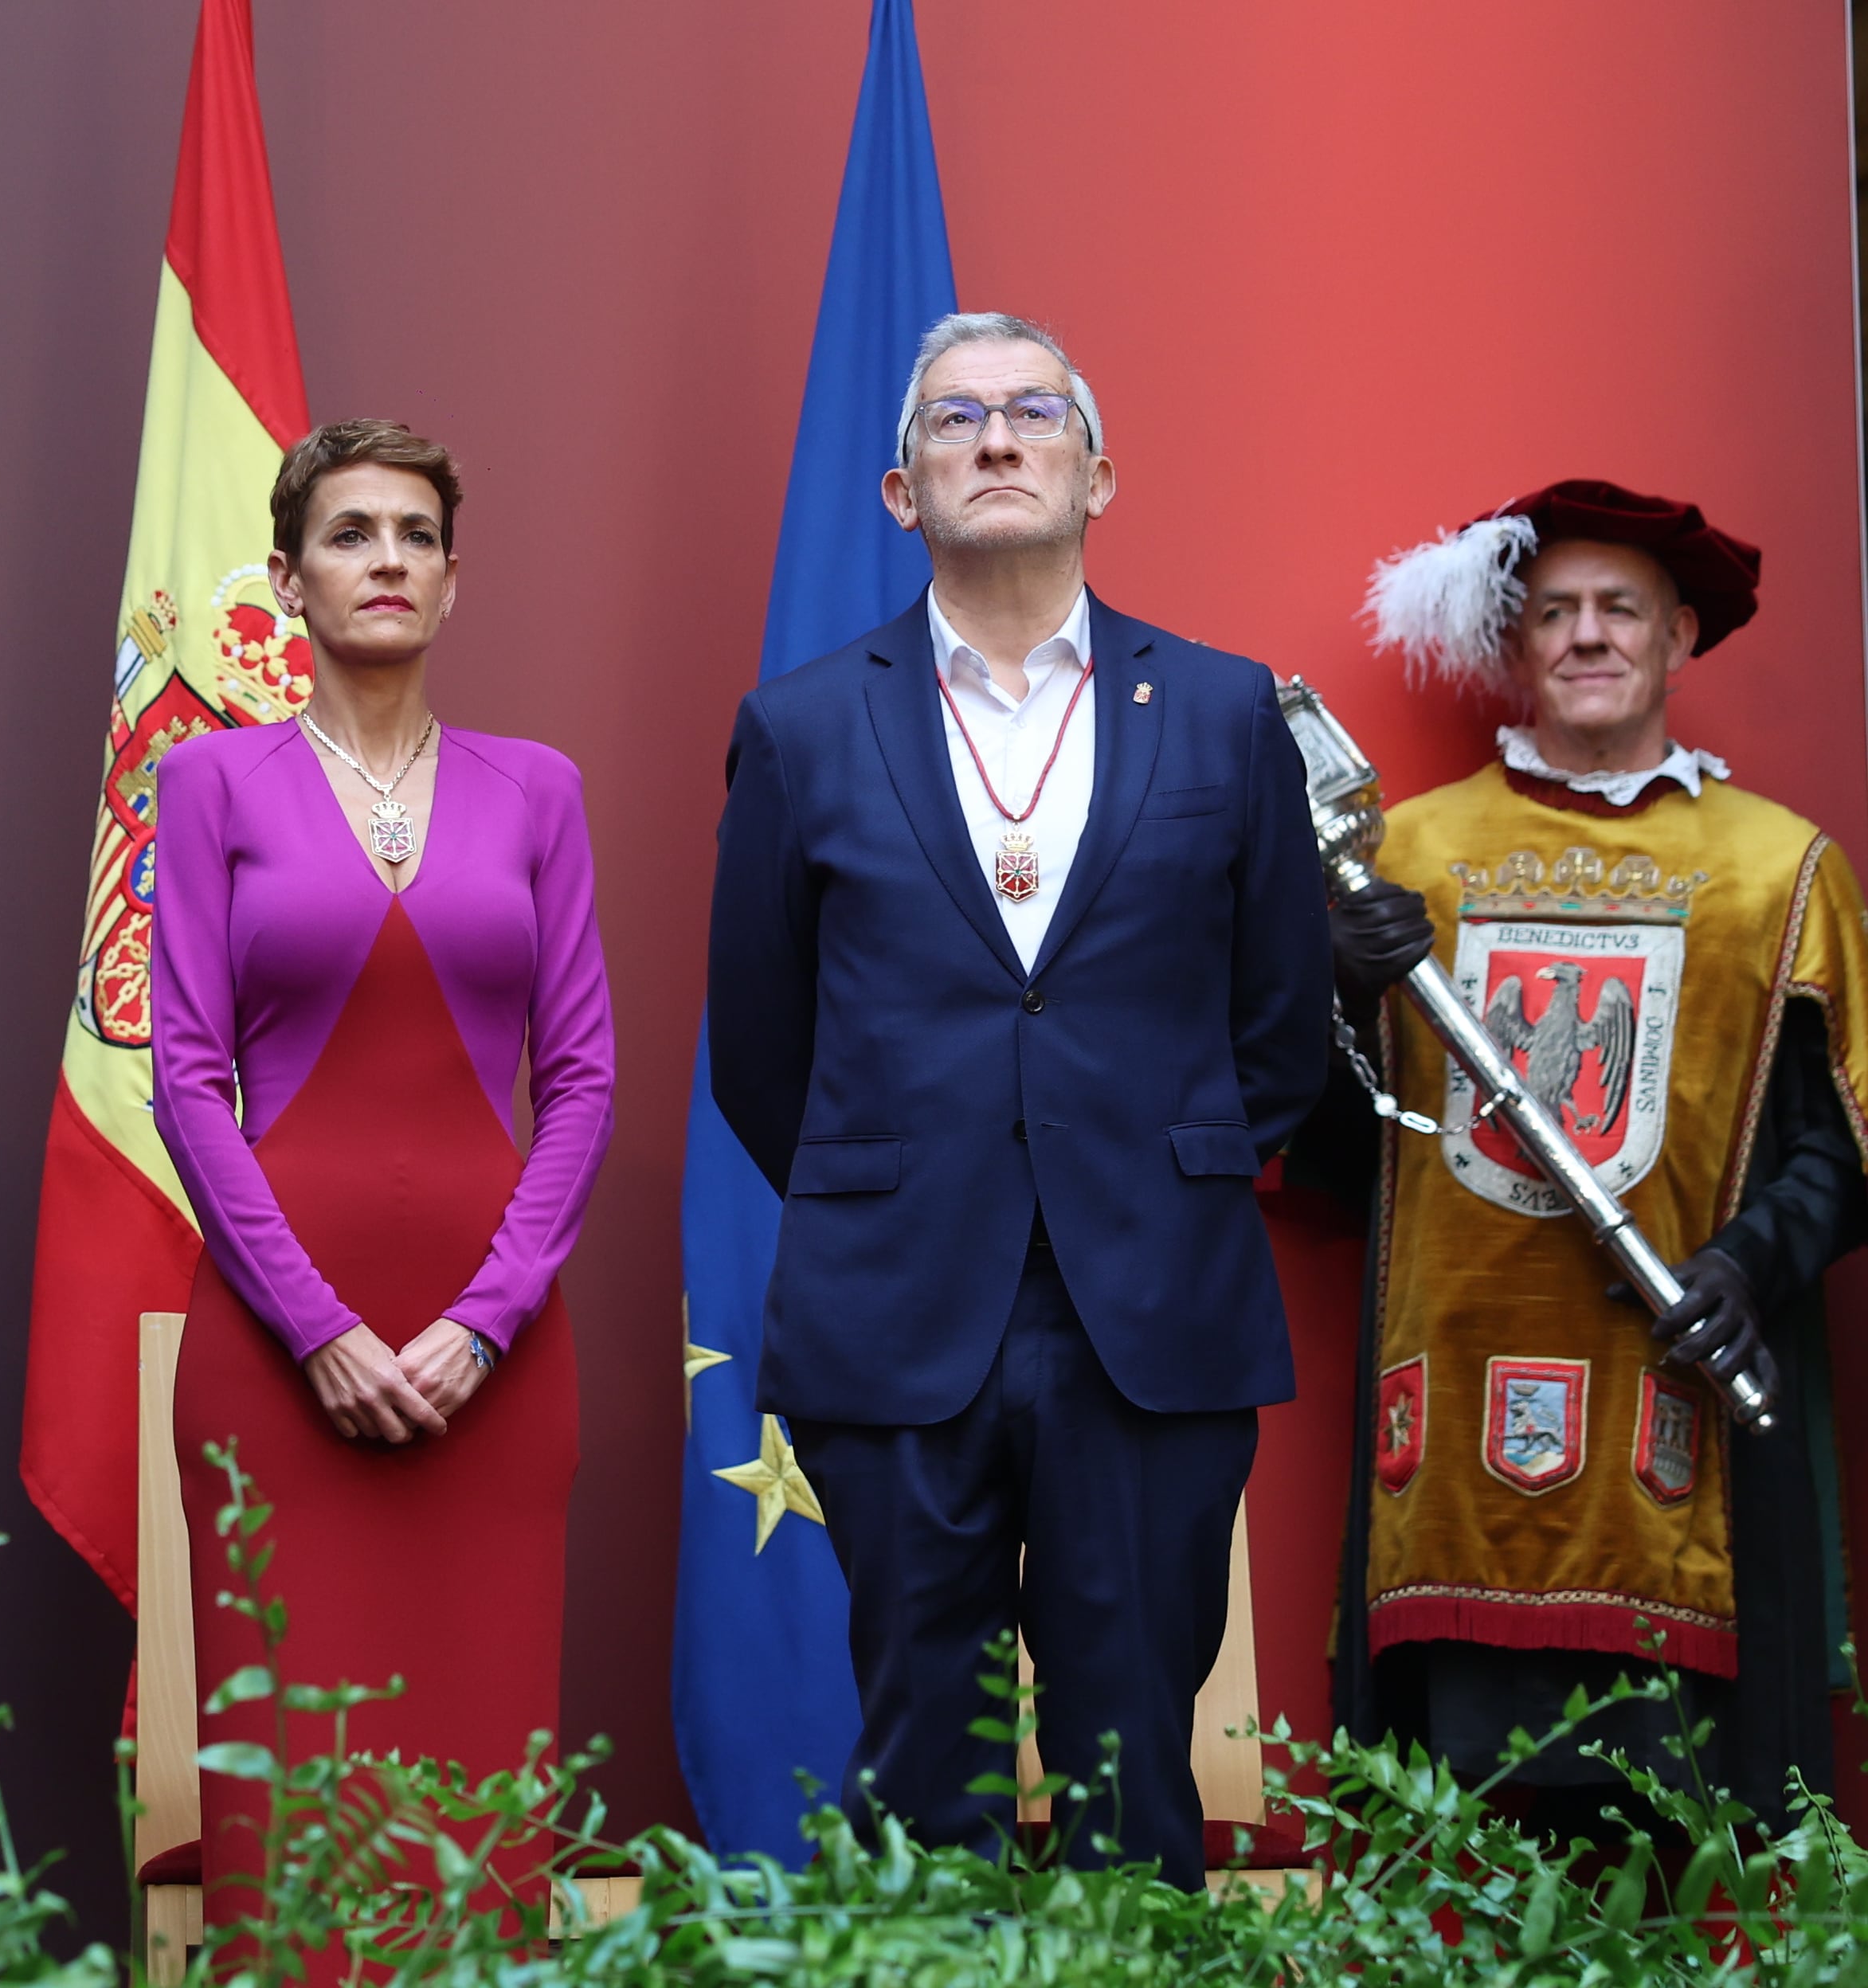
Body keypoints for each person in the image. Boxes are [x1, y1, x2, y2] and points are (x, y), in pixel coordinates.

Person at [707, 312, 1330, 1887]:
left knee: (1137, 1769)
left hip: (1153, 1303)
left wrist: (1145, 1169)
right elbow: (761, 1051)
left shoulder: (1221, 711)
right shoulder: (798, 726)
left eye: (1033, 413)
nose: (995, 439)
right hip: (898, 1308)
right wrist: (913, 1188)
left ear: (1098, 473)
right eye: (954, 420)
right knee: (929, 1769)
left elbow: (1279, 1026)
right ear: (900, 489)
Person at [1305, 479, 1868, 1828]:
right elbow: (1334, 1154)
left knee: (1679, 1860)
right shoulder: (1411, 858)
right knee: (1468, 1864)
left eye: (1620, 609)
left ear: (1680, 638)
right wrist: (1330, 988)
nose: (1588, 635)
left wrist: (1745, 1265)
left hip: (1685, 1439)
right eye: (1554, 612)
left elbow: (1842, 1153)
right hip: (1443, 1455)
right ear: (1517, 648)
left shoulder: (1780, 872)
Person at [149, 419, 616, 1932]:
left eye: (416, 535)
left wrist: (483, 1321)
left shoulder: (537, 787)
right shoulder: (213, 782)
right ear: (290, 579)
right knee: (298, 1800)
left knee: (479, 1784)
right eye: (352, 534)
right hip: (283, 1364)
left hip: (500, 1356)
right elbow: (185, 1079)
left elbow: (585, 1079)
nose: (388, 561)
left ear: (455, 579)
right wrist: (322, 1332)